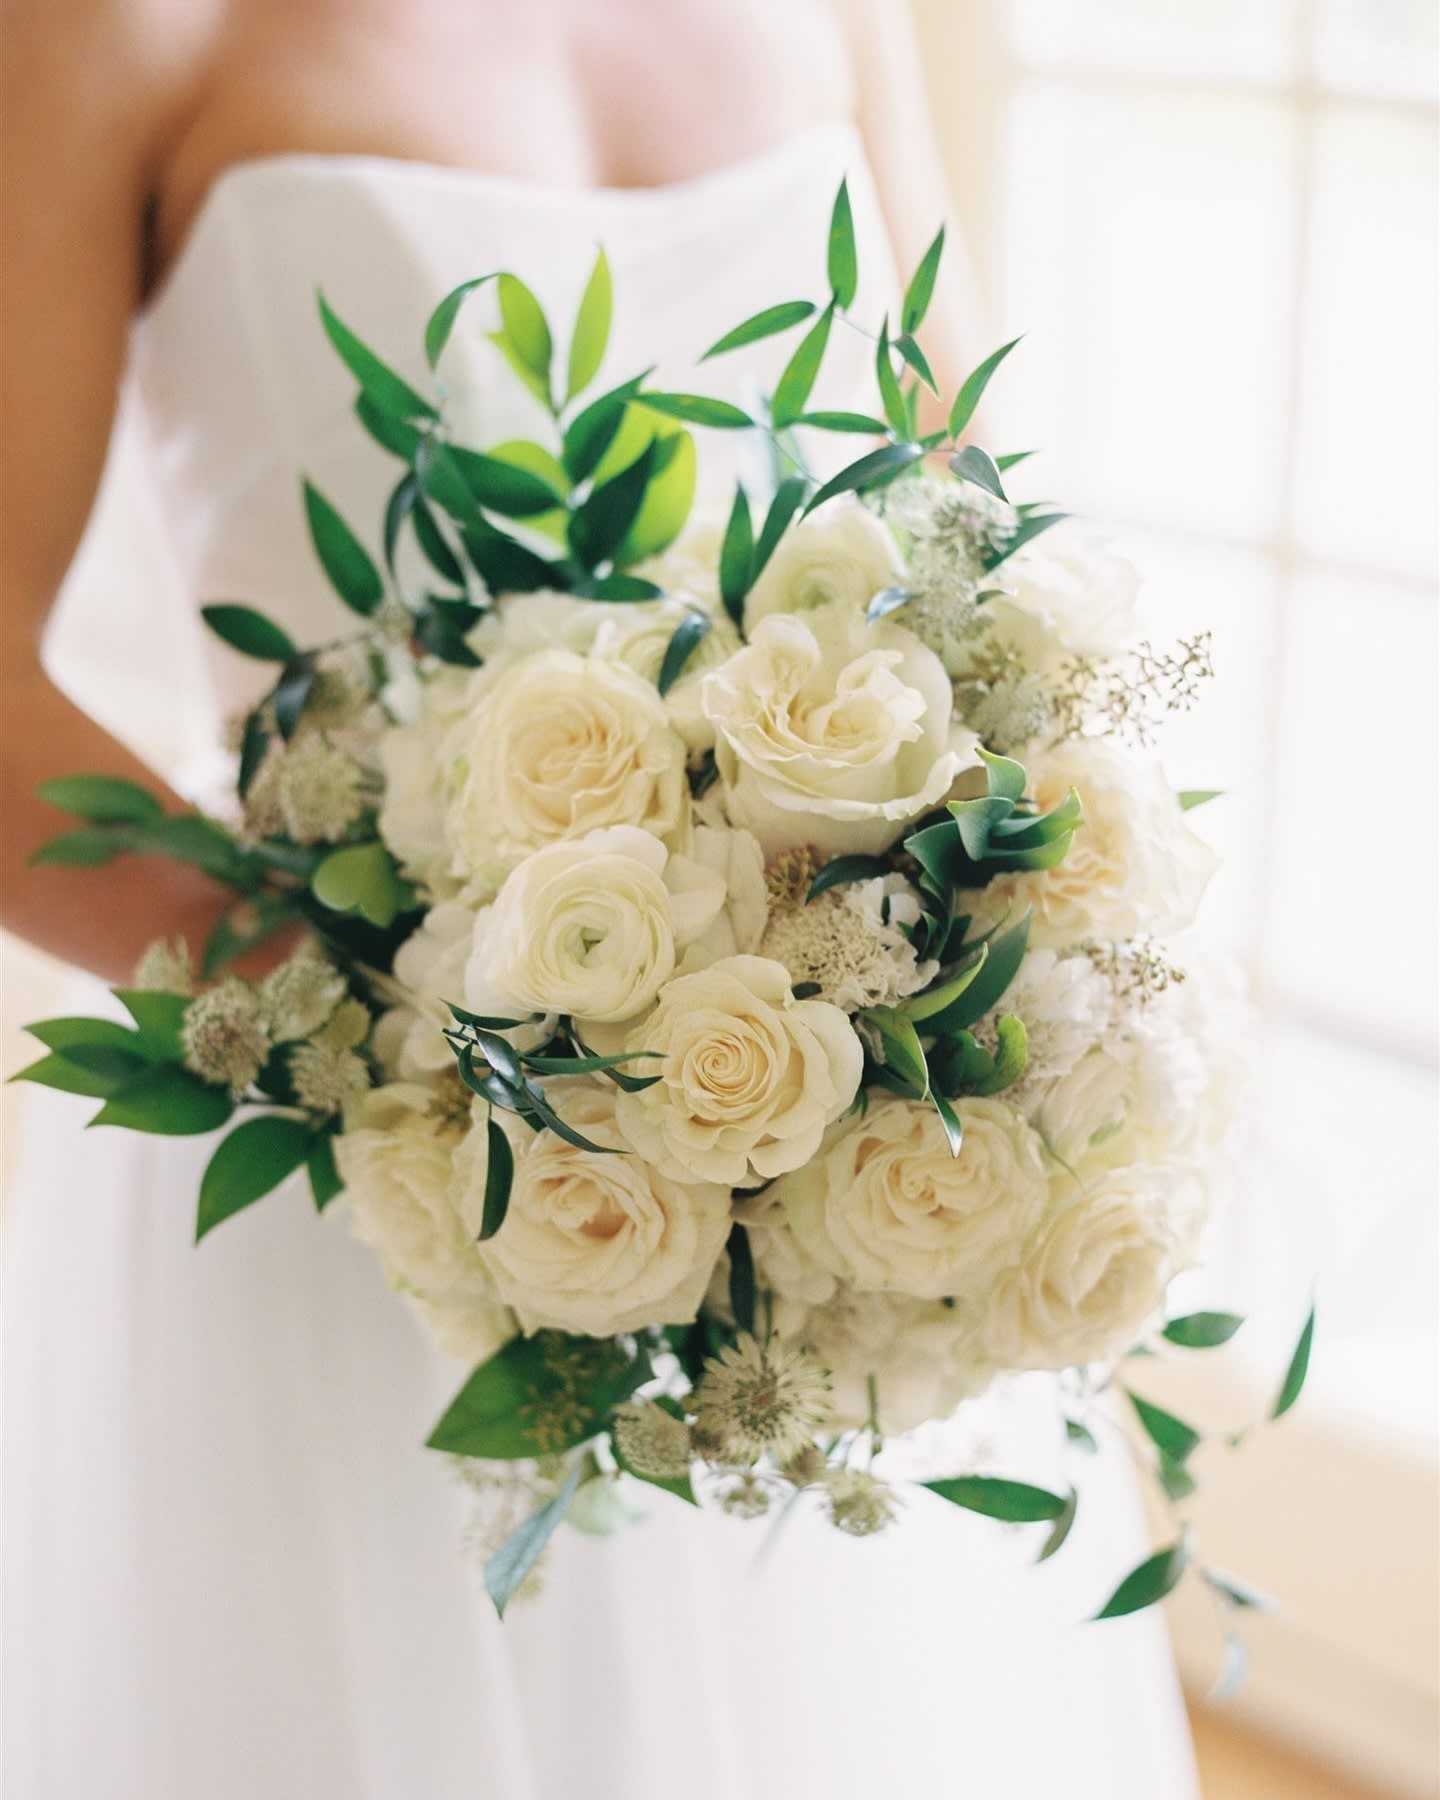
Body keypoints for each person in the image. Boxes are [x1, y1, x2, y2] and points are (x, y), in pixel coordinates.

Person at [1, 4, 1200, 1794]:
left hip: (815, 1152)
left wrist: (958, 937)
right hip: (364, 1164)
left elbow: (958, 519)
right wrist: (409, 1030)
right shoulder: (109, 26)